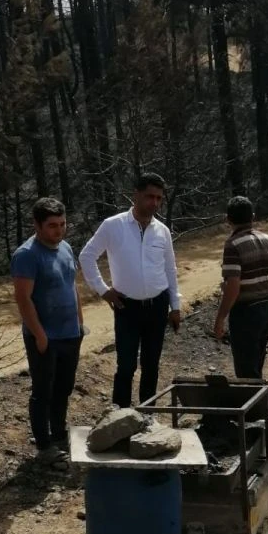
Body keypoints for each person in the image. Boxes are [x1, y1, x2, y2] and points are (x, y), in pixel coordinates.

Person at [79, 173, 181, 408]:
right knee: (126, 364)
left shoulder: (162, 231)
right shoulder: (113, 226)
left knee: (151, 363)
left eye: (158, 198)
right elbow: (87, 255)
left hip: (157, 304)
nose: (154, 203)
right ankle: (121, 416)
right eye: (149, 197)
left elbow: (170, 269)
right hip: (127, 306)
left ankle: (147, 415)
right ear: (136, 195)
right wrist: (103, 290)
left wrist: (175, 306)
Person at [11, 197, 84, 470]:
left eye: (62, 224)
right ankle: (44, 445)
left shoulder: (65, 247)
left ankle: (60, 434)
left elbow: (71, 285)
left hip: (70, 333)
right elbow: (23, 299)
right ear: (37, 225)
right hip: (44, 337)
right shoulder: (27, 255)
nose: (59, 230)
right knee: (43, 390)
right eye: (52, 225)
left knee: (64, 387)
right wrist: (39, 334)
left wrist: (80, 322)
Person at [213, 196, 268, 388]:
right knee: (256, 366)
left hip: (244, 313)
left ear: (228, 219)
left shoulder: (233, 245)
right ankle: (260, 409)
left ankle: (255, 413)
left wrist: (220, 318)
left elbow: (233, 286)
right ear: (252, 216)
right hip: (264, 307)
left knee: (246, 372)